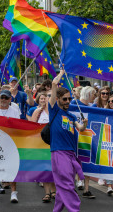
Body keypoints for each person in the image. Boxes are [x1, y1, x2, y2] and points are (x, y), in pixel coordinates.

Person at [49, 69, 88, 212]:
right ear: (58, 99)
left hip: (71, 155)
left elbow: (81, 129)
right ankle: (74, 209)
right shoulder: (54, 109)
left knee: (63, 186)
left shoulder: (71, 115)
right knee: (67, 185)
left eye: (69, 99)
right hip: (59, 153)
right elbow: (54, 83)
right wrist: (62, 72)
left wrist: (84, 124)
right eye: (64, 99)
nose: (67, 101)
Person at [0, 90, 21, 203]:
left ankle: (14, 193)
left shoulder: (14, 110)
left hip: (9, 143)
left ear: (10, 99)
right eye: (2, 97)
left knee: (12, 167)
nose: (3, 100)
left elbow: (18, 126)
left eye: (6, 98)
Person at [31, 91, 57, 203]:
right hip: (41, 144)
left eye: (51, 96)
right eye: (47, 96)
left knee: (54, 169)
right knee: (45, 168)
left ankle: (54, 190)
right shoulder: (38, 112)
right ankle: (47, 193)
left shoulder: (56, 112)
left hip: (54, 144)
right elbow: (31, 127)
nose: (48, 98)